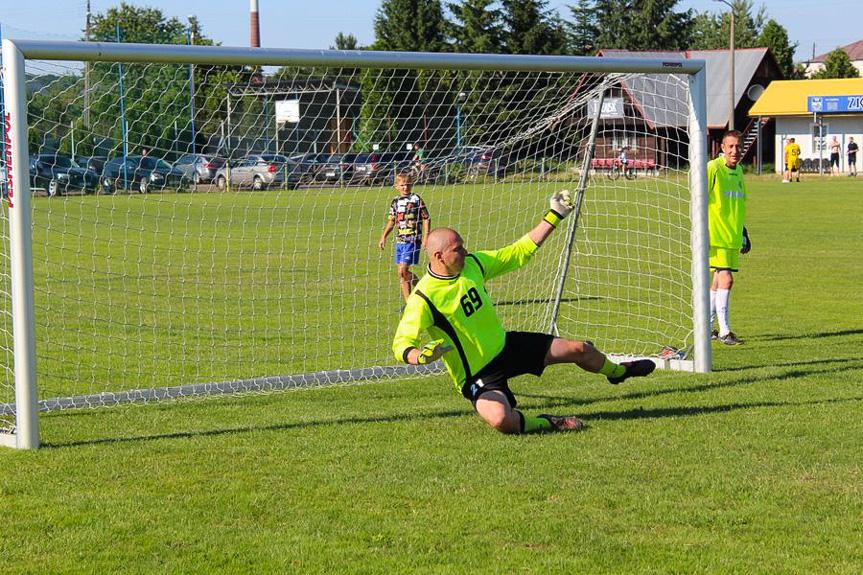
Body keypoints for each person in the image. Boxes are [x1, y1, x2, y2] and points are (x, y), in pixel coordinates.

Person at [392, 191, 656, 435]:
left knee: (580, 349)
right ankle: (548, 422)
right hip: (477, 374)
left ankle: (618, 373)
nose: (465, 252)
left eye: (463, 246)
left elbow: (518, 252)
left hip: (507, 346)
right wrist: (421, 357)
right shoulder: (424, 298)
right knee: (501, 420)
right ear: (438, 255)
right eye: (457, 249)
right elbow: (401, 343)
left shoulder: (474, 265)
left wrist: (555, 215)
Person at [707, 131, 751, 346]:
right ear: (722, 147)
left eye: (738, 146)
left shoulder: (740, 170)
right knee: (727, 279)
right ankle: (725, 332)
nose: (735, 151)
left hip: (732, 237)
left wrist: (742, 232)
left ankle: (708, 327)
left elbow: (737, 204)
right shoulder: (713, 168)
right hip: (715, 236)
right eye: (731, 146)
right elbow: (698, 199)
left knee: (716, 282)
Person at [379, 172, 431, 304]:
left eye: (408, 184)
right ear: (396, 186)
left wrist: (425, 237)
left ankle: (424, 290)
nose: (405, 187)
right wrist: (384, 237)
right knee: (401, 274)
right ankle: (409, 302)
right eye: (402, 185)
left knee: (403, 270)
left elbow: (426, 218)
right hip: (400, 241)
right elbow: (392, 221)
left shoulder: (416, 199)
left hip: (413, 240)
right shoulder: (395, 202)